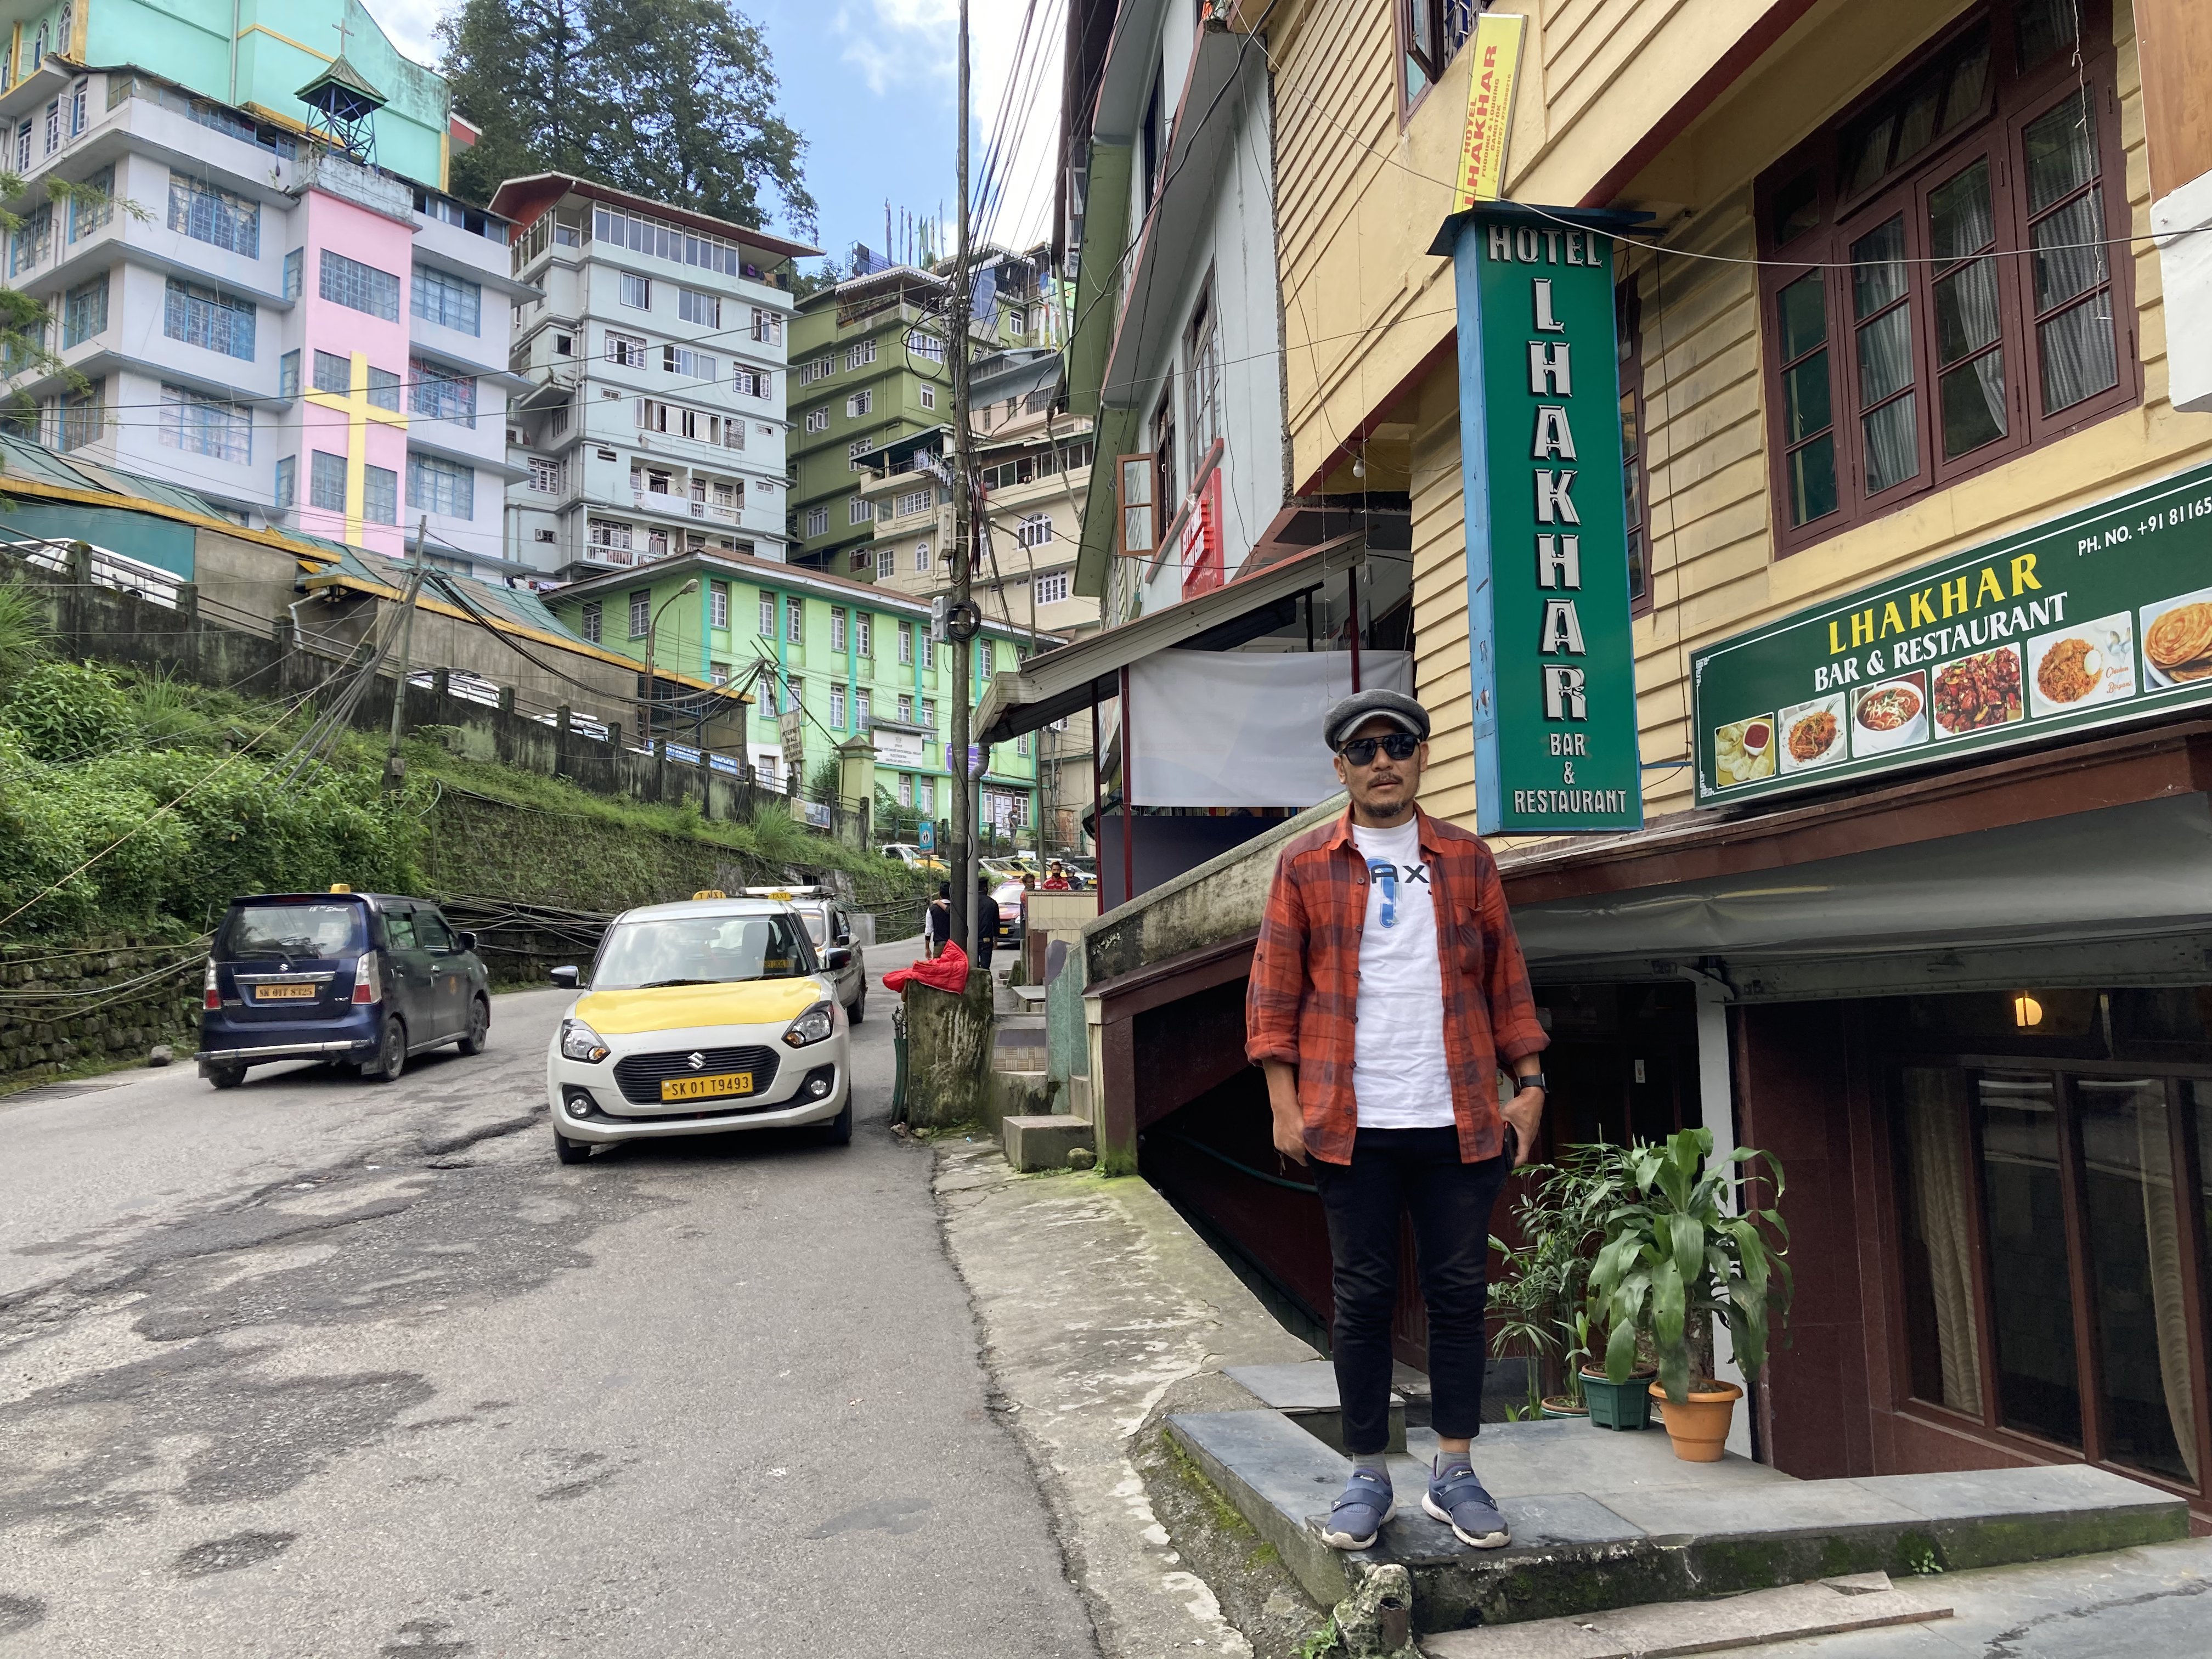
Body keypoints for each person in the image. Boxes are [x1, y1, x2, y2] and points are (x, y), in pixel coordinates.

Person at [1245, 690, 1549, 1555]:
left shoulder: (1468, 860)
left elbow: (1507, 982)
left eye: (1399, 745)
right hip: (1351, 1121)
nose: (1384, 761)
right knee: (1363, 1298)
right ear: (1340, 767)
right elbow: (1274, 991)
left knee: (1458, 1296)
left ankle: (1454, 1470)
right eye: (1364, 749)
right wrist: (1284, 1106)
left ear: (1422, 757)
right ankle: (1368, 1474)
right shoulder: (1306, 864)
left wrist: (1530, 1084)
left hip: (1459, 1116)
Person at [973, 876, 1001, 973]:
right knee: (985, 969)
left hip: (971, 940)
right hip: (986, 940)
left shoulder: (969, 902)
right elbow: (996, 923)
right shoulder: (992, 903)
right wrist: (996, 940)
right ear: (985, 888)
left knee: (973, 967)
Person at [923, 883, 952, 960]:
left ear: (939, 894)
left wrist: (927, 948)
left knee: (939, 966)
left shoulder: (932, 909)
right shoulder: (956, 909)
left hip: (939, 945)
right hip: (954, 946)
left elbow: (928, 931)